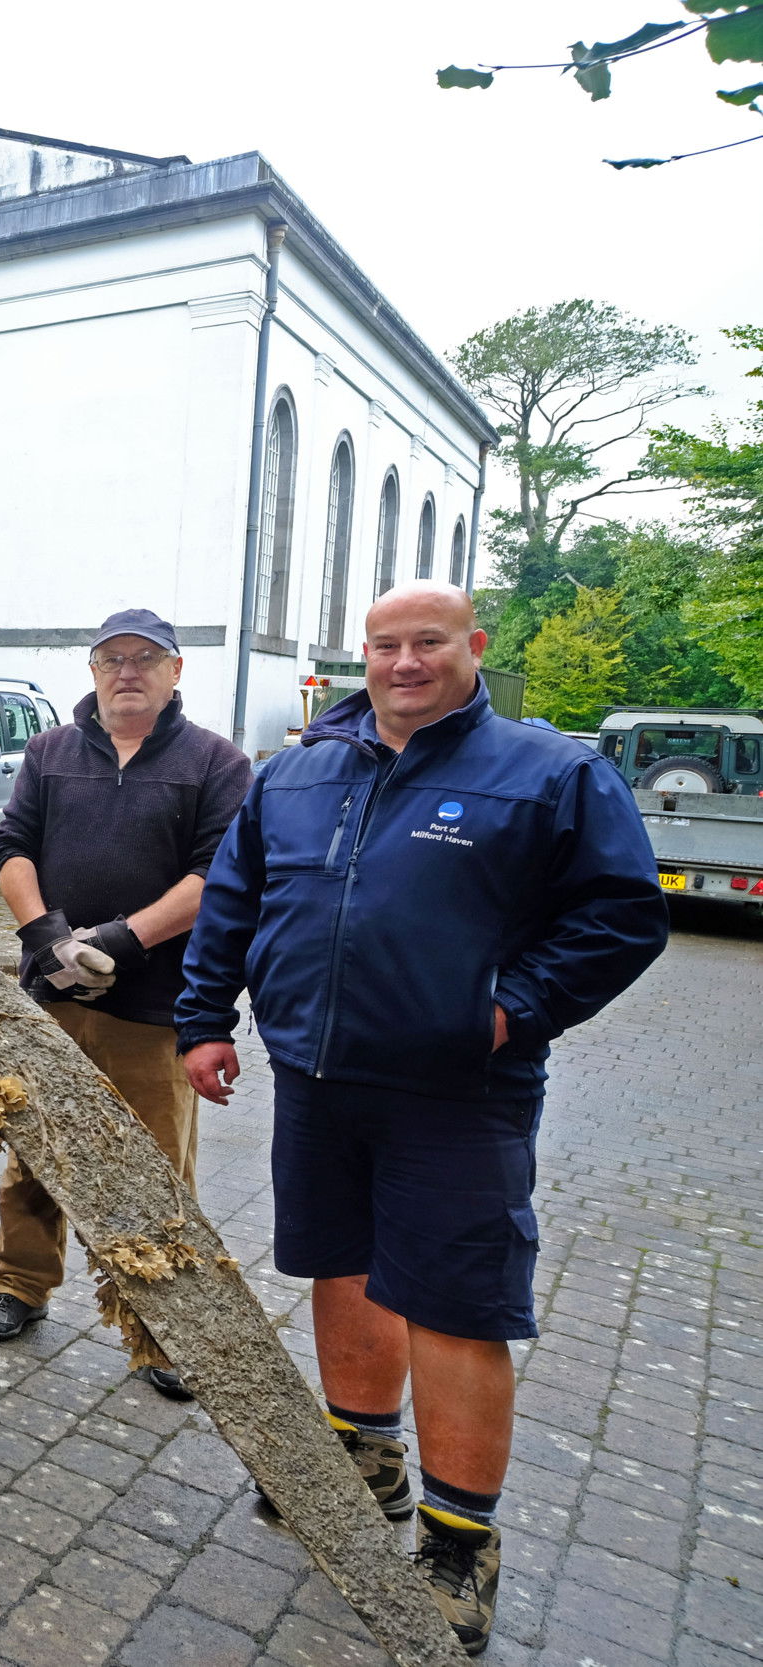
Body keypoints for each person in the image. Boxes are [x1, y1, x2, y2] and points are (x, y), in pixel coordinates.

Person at [177, 581, 668, 1655]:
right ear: (362, 654)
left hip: (457, 1092)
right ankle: (362, 1453)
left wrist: (509, 1009)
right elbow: (233, 898)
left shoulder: (549, 772)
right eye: (384, 644)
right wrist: (204, 1019)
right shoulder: (299, 770)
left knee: (453, 1303)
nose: (404, 662)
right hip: (312, 1073)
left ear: (472, 646)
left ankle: (458, 1538)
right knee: (340, 1264)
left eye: (427, 642)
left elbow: (624, 914)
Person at [0, 608, 252, 1402]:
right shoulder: (50, 751)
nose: (126, 671)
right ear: (93, 670)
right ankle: (22, 1284)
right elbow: (11, 846)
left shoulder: (215, 762)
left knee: (154, 1169)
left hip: (155, 1003)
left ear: (175, 671)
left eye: (144, 658)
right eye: (110, 658)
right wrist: (48, 935)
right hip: (53, 994)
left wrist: (125, 941)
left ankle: (162, 1325)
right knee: (35, 1141)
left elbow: (218, 875)